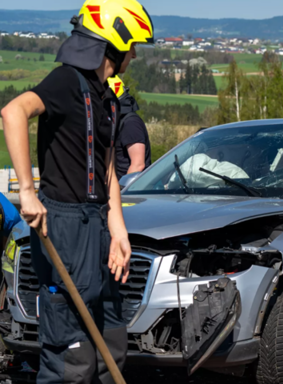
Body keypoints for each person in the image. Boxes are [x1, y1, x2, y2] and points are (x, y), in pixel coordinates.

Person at [0, 1, 154, 382]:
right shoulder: (65, 81)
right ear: (113, 43)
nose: (134, 53)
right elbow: (12, 113)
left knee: (112, 346)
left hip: (99, 227)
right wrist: (29, 194)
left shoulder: (108, 99)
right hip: (63, 227)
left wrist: (118, 232)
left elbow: (106, 173)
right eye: (132, 44)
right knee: (72, 361)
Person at [108, 76, 151, 180]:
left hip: (128, 190)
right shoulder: (118, 121)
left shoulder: (130, 123)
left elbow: (138, 165)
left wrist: (121, 192)